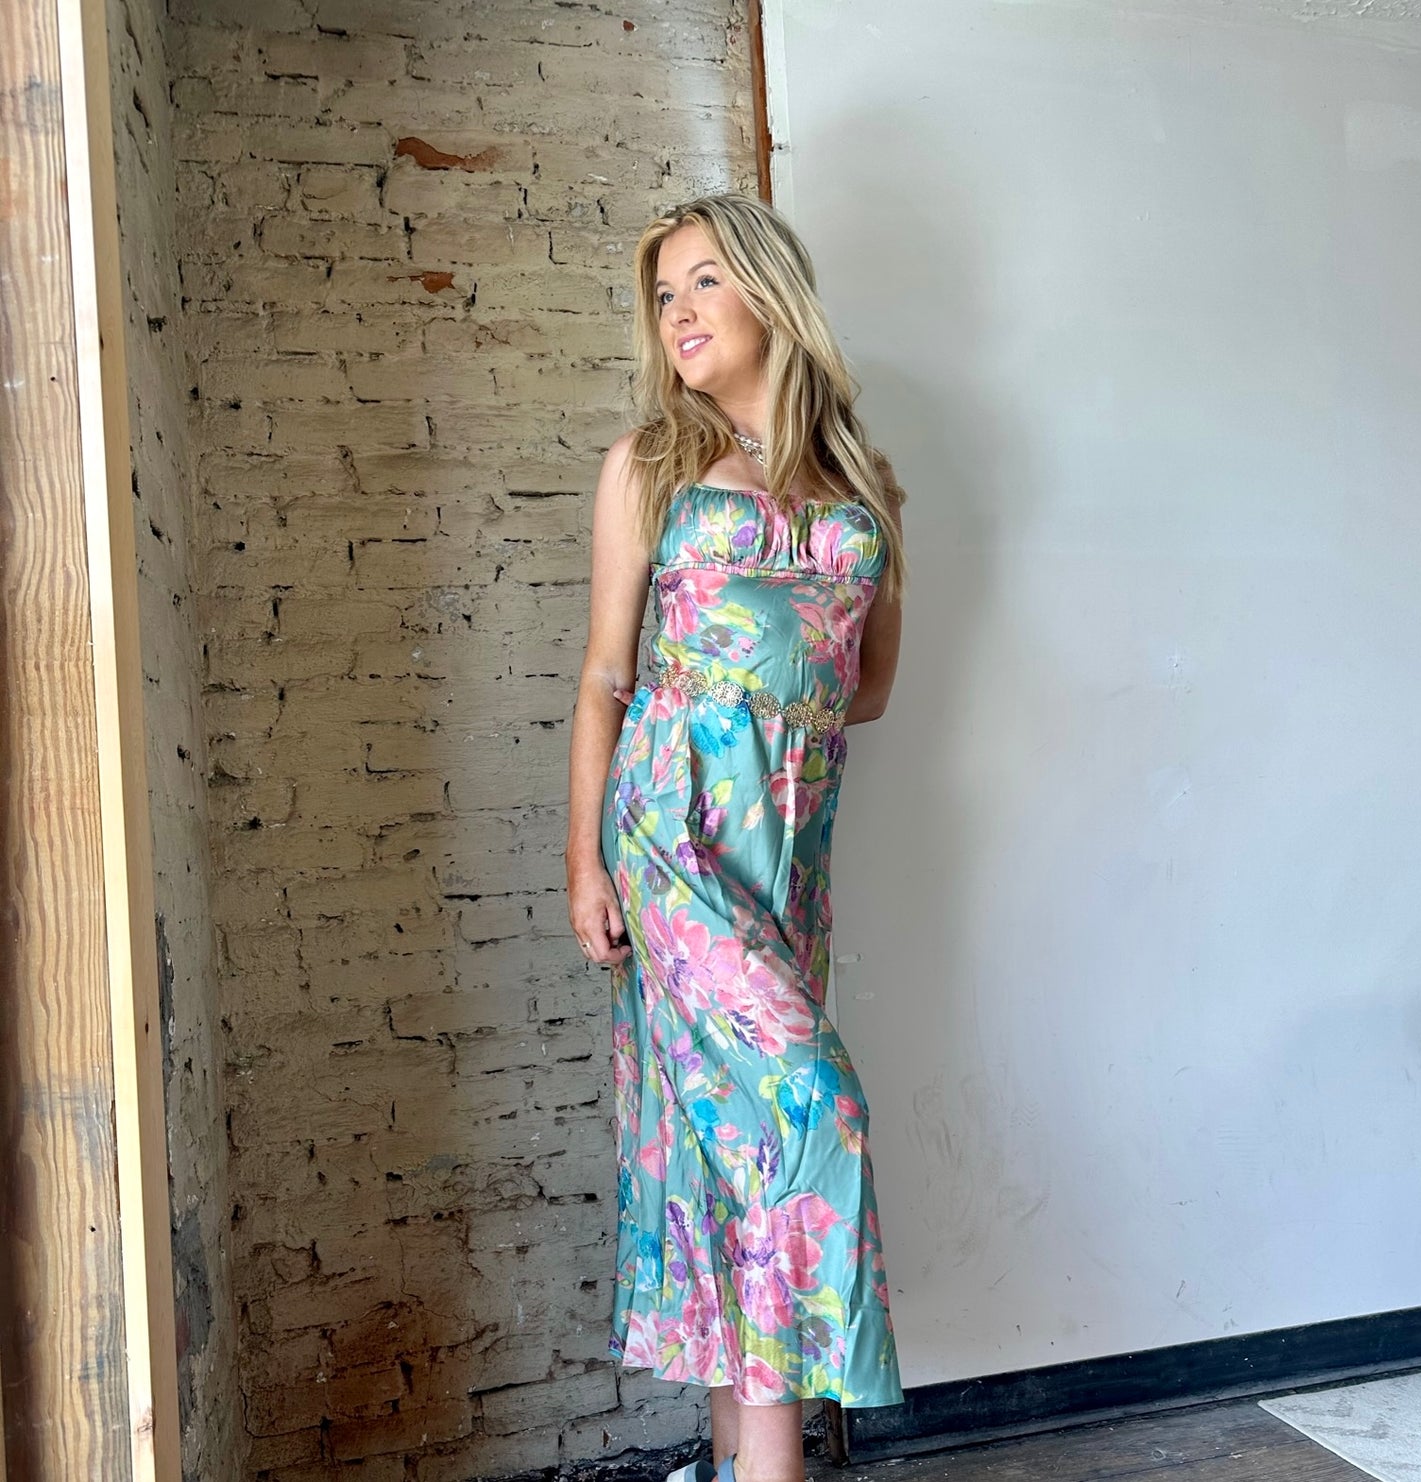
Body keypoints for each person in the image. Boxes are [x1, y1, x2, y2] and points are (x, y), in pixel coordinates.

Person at [565, 193, 909, 1482]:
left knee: (738, 1161)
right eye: (663, 295)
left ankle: (739, 1466)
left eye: (704, 281)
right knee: (817, 1113)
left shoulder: (865, 488)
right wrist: (584, 862)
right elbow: (606, 677)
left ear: (771, 292)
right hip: (673, 843)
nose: (680, 312)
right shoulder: (648, 467)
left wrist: (774, 701)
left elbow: (868, 686)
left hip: (785, 858)